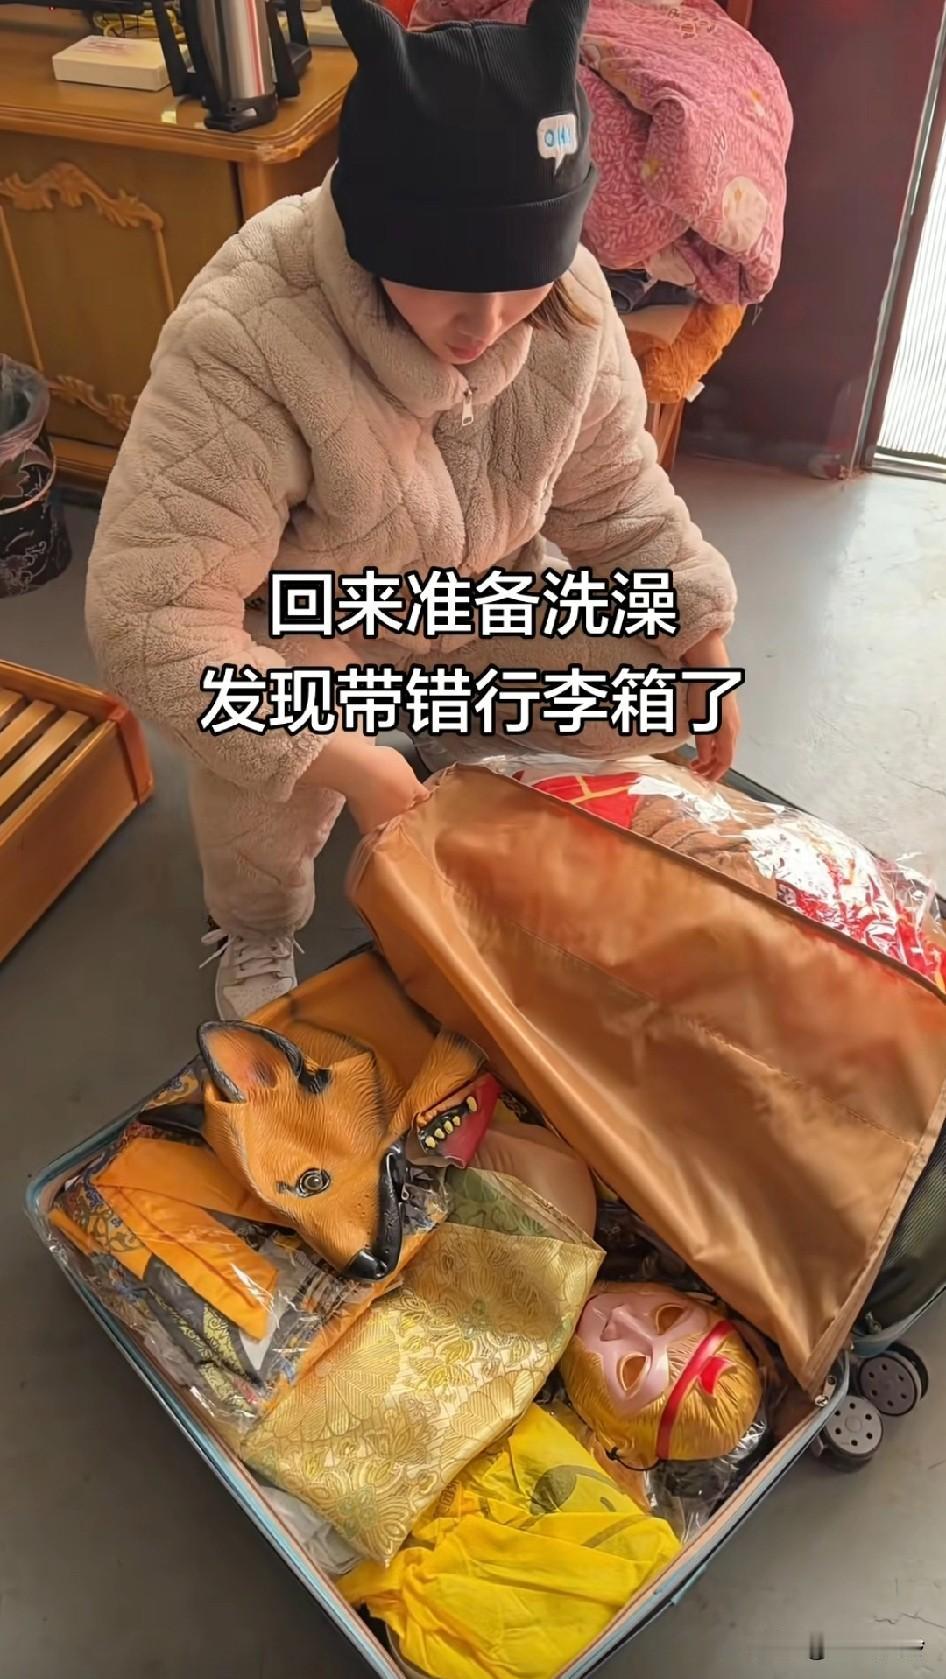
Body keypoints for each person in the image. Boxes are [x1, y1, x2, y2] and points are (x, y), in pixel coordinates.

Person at [85, 0, 740, 1020]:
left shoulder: (563, 296)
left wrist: (702, 633)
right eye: (446, 286)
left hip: (474, 591)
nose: (485, 326)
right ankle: (255, 924)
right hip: (308, 624)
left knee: (657, 677)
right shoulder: (247, 330)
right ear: (372, 234)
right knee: (271, 764)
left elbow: (615, 492)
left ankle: (449, 739)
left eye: (518, 283)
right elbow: (149, 616)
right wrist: (349, 761)